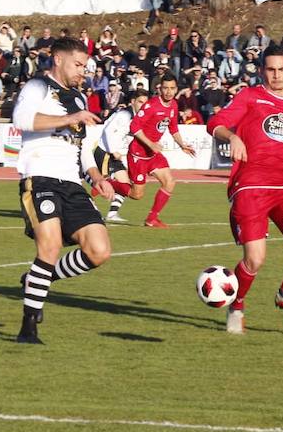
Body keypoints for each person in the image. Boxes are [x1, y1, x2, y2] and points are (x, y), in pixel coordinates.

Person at [206, 45, 283, 332]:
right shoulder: (250, 96)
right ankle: (237, 305)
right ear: (261, 71)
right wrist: (232, 137)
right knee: (255, 259)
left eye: (282, 69)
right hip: (251, 186)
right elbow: (216, 123)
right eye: (270, 69)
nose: (277, 75)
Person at [11, 37, 116, 344]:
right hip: (40, 178)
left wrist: (97, 176)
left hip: (73, 184)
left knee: (99, 251)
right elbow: (21, 120)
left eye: (85, 65)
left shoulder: (80, 100)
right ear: (58, 60)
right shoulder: (37, 87)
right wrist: (70, 118)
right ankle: (28, 326)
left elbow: (83, 148)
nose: (83, 71)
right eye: (79, 64)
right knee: (50, 246)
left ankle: (35, 280)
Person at [126, 73, 196, 228]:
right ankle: (111, 184)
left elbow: (173, 128)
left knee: (169, 182)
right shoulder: (151, 105)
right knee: (137, 195)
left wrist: (181, 144)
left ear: (176, 89)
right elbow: (134, 127)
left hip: (153, 154)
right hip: (138, 153)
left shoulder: (173, 105)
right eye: (165, 88)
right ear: (160, 89)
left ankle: (151, 219)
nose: (168, 92)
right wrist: (151, 144)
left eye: (172, 88)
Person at [88, 90, 150, 223]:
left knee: (126, 185)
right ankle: (89, 205)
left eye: (145, 103)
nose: (143, 106)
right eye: (140, 102)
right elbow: (108, 130)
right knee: (104, 185)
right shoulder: (124, 115)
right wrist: (113, 151)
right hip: (105, 153)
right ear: (132, 102)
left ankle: (112, 214)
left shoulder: (135, 117)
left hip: (114, 156)